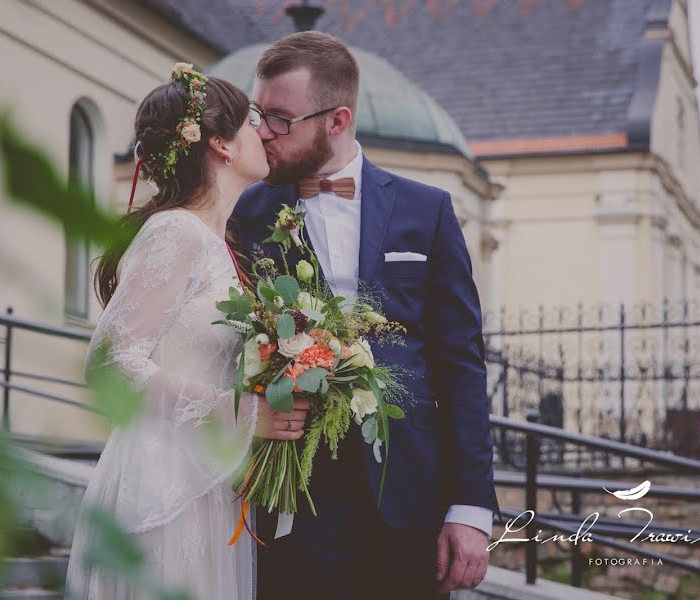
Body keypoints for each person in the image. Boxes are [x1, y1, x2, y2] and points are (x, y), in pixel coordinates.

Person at [232, 32, 500, 600]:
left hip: (410, 495)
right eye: (259, 114)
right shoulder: (246, 215)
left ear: (338, 119)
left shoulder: (427, 210)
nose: (262, 132)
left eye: (280, 118)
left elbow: (461, 363)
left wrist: (472, 505)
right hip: (292, 498)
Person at [65, 65, 308, 599]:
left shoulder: (217, 245)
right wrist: (234, 411)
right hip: (160, 483)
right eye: (253, 122)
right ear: (220, 144)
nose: (264, 133)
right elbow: (109, 360)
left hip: (205, 477)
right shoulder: (176, 231)